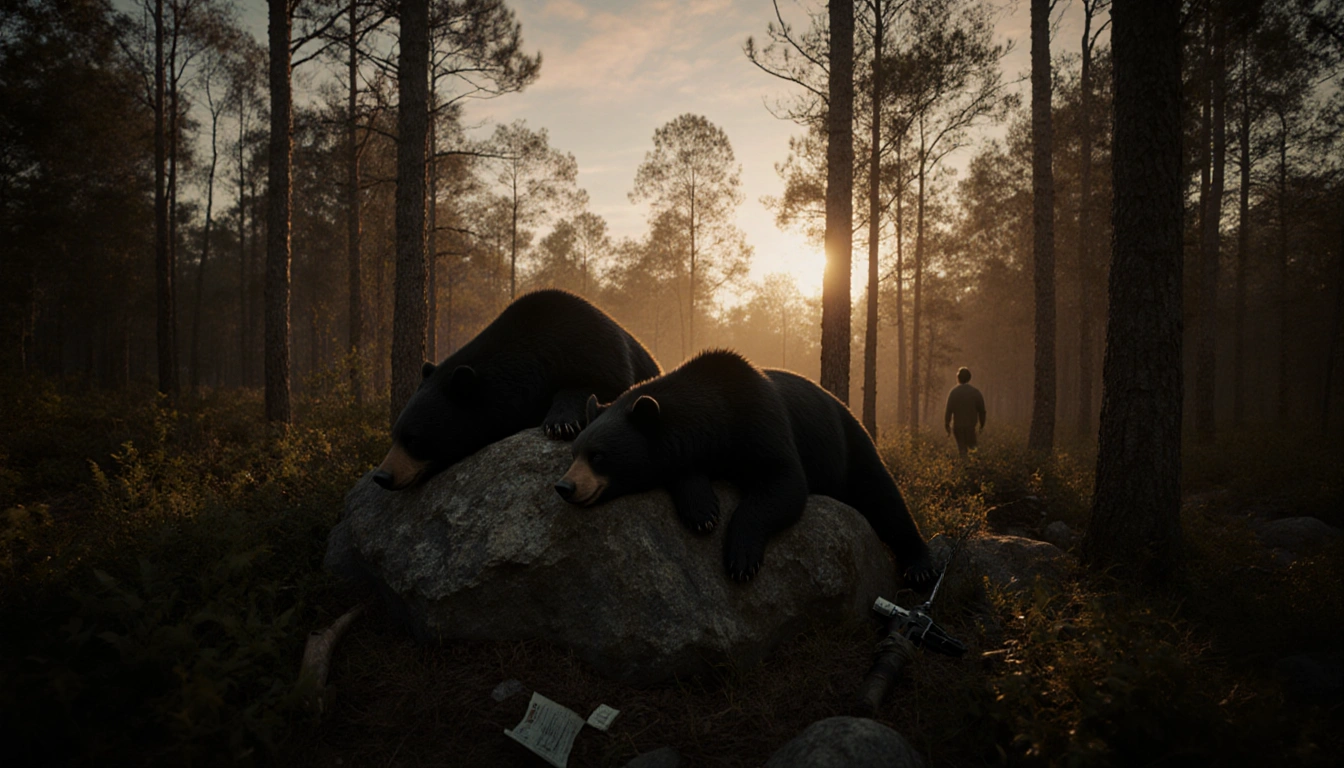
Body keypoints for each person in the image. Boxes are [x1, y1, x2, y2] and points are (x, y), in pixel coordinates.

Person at [944, 367, 986, 458]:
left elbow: (948, 410)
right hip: (971, 427)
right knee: (973, 448)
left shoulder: (954, 392)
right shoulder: (975, 392)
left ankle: (964, 465)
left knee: (962, 449)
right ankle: (974, 467)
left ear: (958, 378)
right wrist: (982, 424)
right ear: (969, 378)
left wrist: (947, 424)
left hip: (958, 427)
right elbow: (982, 411)